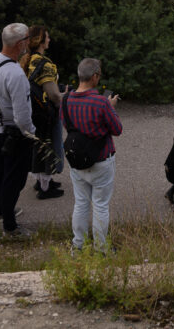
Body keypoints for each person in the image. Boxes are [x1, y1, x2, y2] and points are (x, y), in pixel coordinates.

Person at [0, 23, 38, 237]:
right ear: (20, 44)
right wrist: (31, 134)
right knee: (15, 179)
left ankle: (0, 210)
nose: (29, 42)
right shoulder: (15, 74)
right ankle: (10, 226)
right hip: (13, 134)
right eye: (27, 39)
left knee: (0, 173)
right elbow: (22, 114)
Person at [64, 58, 122, 252]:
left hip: (76, 160)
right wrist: (111, 107)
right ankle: (101, 248)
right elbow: (117, 129)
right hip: (101, 159)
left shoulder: (66, 100)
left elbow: (67, 126)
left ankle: (78, 246)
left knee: (81, 203)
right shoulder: (101, 102)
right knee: (100, 205)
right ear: (95, 76)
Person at [20, 25, 64, 200]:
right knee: (48, 146)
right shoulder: (45, 64)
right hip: (45, 113)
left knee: (37, 146)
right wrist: (63, 97)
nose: (49, 40)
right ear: (40, 40)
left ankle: (41, 181)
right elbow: (53, 95)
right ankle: (45, 188)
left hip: (32, 110)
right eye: (47, 37)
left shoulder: (26, 59)